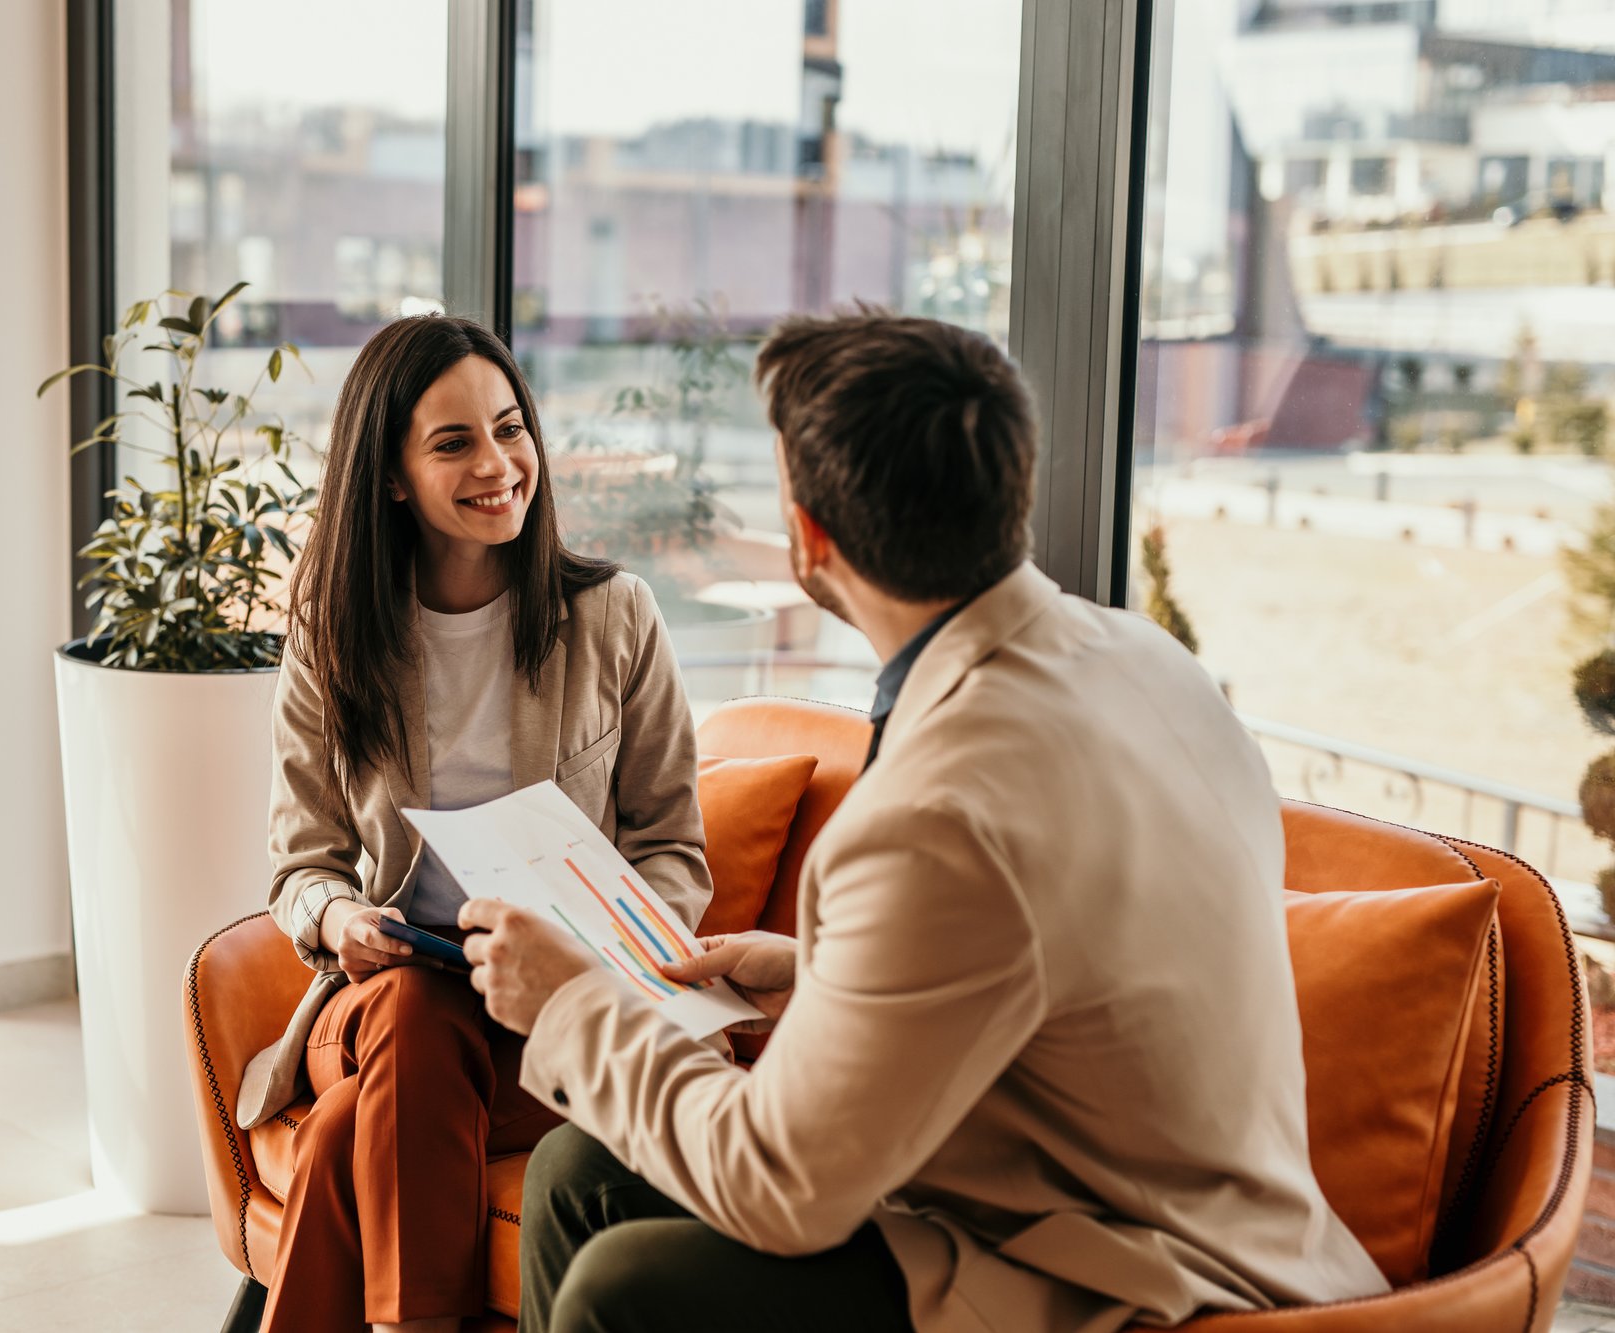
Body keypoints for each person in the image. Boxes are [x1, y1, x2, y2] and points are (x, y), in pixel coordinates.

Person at [457, 311, 1392, 1333]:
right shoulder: (1146, 661)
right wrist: (818, 968)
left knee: (621, 1289)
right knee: (580, 1168)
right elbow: (1061, 950)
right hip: (1177, 1217)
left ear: (808, 537)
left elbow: (779, 1188)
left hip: (1127, 1282)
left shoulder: (934, 813)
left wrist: (573, 1003)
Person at [234, 315, 714, 1333]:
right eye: (453, 443)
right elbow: (300, 864)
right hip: (380, 998)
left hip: (544, 1007)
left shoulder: (613, 616)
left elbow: (672, 846)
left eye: (509, 429)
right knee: (413, 1009)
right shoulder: (333, 628)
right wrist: (336, 921)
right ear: (394, 476)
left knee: (341, 1144)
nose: (497, 464)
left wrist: (597, 937)